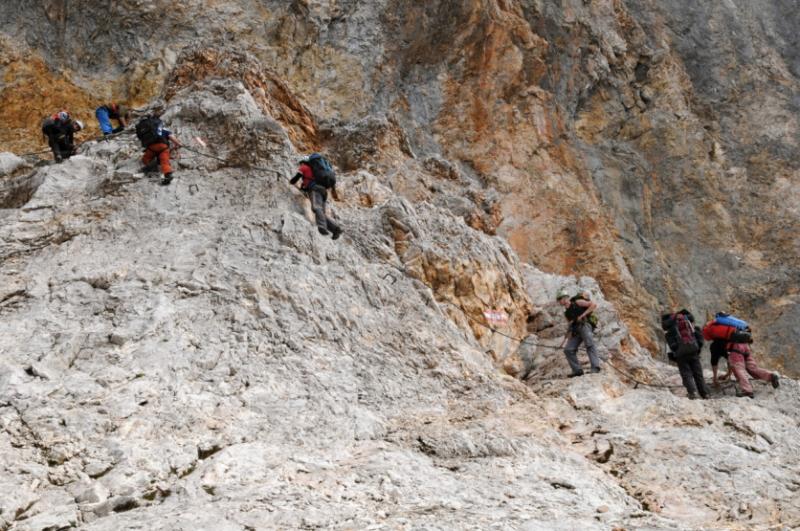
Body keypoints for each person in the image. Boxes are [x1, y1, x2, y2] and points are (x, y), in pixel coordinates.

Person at [289, 154, 342, 239]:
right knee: (321, 213)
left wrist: (290, 182)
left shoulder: (304, 167)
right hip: (323, 191)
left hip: (315, 190)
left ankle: (322, 226)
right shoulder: (314, 171)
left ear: (303, 162)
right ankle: (335, 229)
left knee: (316, 208)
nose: (300, 165)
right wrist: (304, 189)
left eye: (301, 163)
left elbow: (296, 178)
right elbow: (308, 183)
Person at [662, 309, 708, 399]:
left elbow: (670, 349)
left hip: (680, 355)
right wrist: (696, 350)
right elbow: (700, 340)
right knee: (698, 374)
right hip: (693, 352)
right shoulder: (689, 326)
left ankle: (693, 393)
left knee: (686, 374)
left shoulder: (669, 333)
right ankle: (705, 394)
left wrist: (675, 357)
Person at [557, 290, 601, 377]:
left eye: (560, 299)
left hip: (584, 325)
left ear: (565, 298)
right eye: (559, 300)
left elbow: (593, 305)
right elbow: (570, 325)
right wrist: (566, 340)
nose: (559, 302)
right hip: (576, 330)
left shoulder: (577, 302)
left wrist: (583, 315)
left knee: (589, 344)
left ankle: (595, 367)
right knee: (568, 350)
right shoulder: (566, 313)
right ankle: (577, 370)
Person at [136, 115, 181, 185]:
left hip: (151, 147)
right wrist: (178, 144)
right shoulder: (163, 129)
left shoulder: (146, 129)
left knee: (145, 159)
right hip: (162, 147)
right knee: (164, 162)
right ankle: (167, 175)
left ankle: (150, 166)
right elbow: (171, 137)